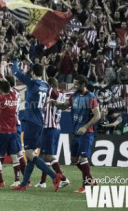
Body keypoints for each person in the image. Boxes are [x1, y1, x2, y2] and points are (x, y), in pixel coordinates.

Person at [11, 58, 63, 192]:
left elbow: (15, 71)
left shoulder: (32, 83)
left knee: (29, 155)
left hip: (31, 121)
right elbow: (56, 96)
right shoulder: (46, 86)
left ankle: (54, 176)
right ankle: (23, 184)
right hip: (40, 121)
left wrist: (15, 60)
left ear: (33, 73)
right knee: (31, 155)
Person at [53, 75, 101, 193]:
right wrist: (54, 102)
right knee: (74, 160)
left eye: (76, 84)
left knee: (83, 158)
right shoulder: (74, 96)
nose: (74, 86)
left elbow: (97, 115)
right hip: (75, 132)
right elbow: (64, 105)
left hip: (86, 133)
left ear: (83, 85)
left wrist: (85, 127)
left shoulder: (91, 97)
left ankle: (86, 186)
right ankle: (90, 179)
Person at [34, 77, 70, 189]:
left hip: (50, 127)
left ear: (50, 86)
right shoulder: (62, 96)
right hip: (55, 127)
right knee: (45, 156)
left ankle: (64, 178)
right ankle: (42, 182)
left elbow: (45, 85)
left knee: (49, 156)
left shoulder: (52, 95)